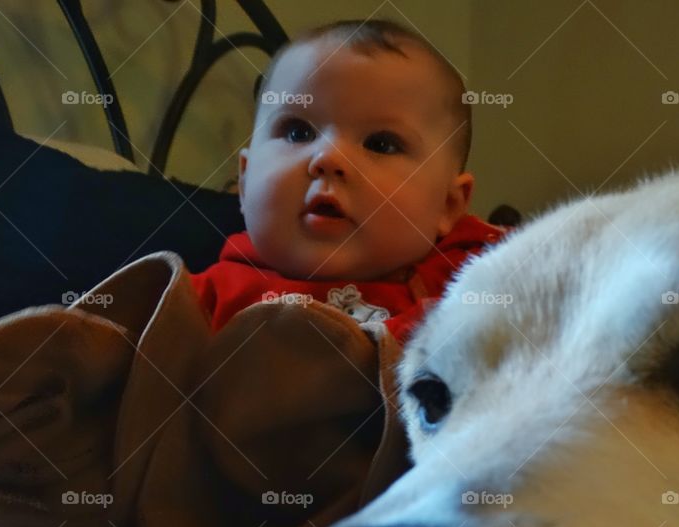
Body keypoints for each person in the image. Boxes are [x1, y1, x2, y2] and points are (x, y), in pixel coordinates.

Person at [190, 18, 507, 343]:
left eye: (380, 144)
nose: (328, 158)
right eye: (298, 132)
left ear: (447, 204)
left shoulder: (478, 281)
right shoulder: (193, 306)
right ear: (244, 181)